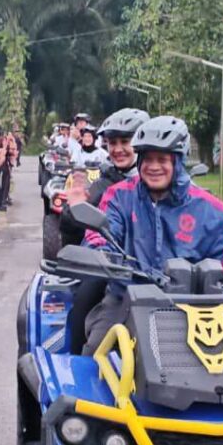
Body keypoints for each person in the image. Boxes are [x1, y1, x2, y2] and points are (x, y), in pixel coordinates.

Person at [81, 116, 223, 355]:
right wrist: (105, 257)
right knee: (95, 356)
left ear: (178, 161)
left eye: (163, 159)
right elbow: (99, 237)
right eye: (148, 159)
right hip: (126, 299)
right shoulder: (118, 197)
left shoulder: (215, 213)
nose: (154, 167)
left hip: (197, 310)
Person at [62, 108, 149, 353]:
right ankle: (77, 359)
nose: (118, 149)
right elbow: (72, 227)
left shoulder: (164, 183)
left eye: (125, 142)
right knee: (86, 293)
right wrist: (74, 209)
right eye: (113, 143)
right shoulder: (103, 185)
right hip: (113, 267)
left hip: (157, 270)